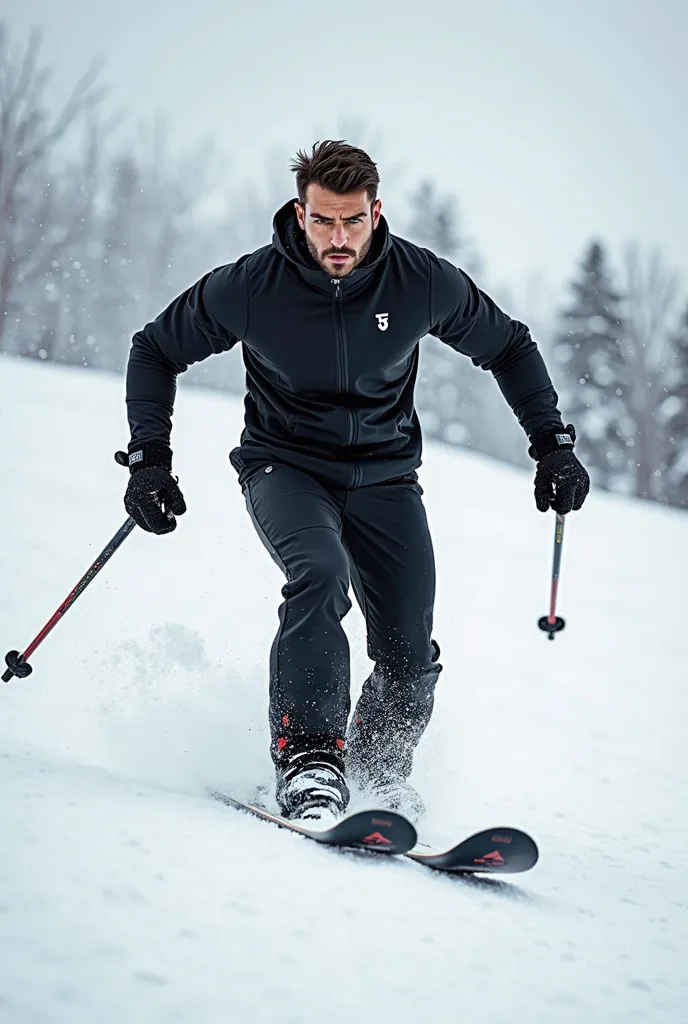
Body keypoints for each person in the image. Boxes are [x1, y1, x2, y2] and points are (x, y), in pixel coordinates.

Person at [121, 140, 590, 825]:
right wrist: (149, 458)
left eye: (352, 221)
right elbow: (156, 348)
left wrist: (551, 444)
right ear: (299, 213)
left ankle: (374, 771)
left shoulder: (419, 281)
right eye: (321, 221)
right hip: (286, 466)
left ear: (376, 213)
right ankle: (310, 760)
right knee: (318, 575)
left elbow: (509, 345)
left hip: (386, 478)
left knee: (408, 641)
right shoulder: (252, 286)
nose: (337, 239)